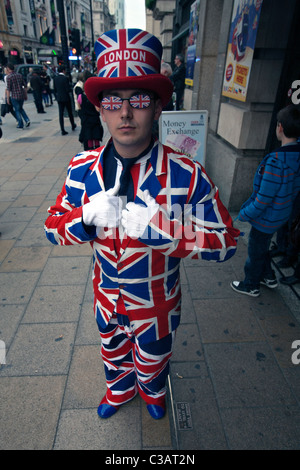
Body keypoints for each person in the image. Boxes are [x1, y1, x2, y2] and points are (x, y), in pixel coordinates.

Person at [44, 28, 240, 421]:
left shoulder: (187, 174)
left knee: (153, 359)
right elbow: (51, 227)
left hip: (158, 306)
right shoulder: (82, 170)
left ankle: (151, 390)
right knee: (113, 355)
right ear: (99, 108)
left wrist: (167, 232)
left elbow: (227, 241)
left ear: (157, 108)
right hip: (106, 301)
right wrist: (83, 219)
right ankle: (119, 390)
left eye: (139, 99)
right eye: (113, 100)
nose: (126, 113)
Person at [231, 104, 300, 297]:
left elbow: (263, 200)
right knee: (263, 246)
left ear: (280, 128)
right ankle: (268, 277)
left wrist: (243, 215)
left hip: (266, 218)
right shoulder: (296, 156)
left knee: (255, 250)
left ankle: (250, 285)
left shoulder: (276, 161)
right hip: (281, 215)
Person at [76, 70, 104, 150]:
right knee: (96, 141)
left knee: (89, 141)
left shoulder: (80, 96)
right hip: (94, 120)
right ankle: (96, 155)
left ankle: (89, 156)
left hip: (86, 121)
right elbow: (98, 109)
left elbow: (79, 107)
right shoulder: (94, 97)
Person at [5, 63, 30, 129]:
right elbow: (24, 86)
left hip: (14, 96)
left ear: (8, 69)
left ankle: (20, 124)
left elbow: (8, 89)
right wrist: (25, 94)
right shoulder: (19, 75)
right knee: (21, 108)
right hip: (21, 95)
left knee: (17, 110)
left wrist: (7, 98)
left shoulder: (9, 77)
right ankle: (27, 120)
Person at [53, 65, 76, 135]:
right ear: (63, 71)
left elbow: (54, 89)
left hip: (59, 98)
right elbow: (67, 89)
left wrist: (56, 97)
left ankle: (62, 129)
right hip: (66, 98)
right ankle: (72, 125)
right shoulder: (65, 78)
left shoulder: (55, 78)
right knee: (70, 112)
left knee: (61, 114)